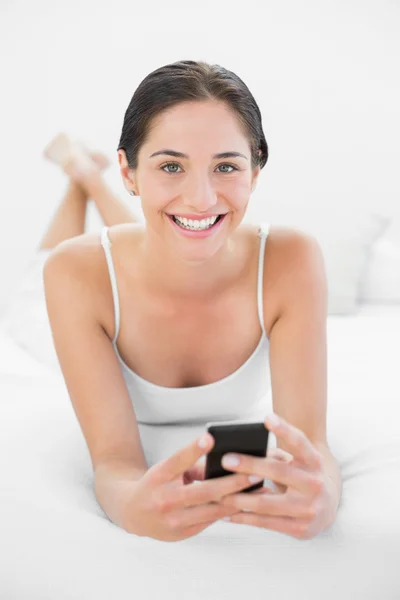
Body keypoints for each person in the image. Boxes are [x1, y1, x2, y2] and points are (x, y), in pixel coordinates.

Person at [43, 60, 341, 542]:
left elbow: (312, 445)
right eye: (170, 165)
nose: (202, 196)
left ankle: (88, 174)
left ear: (256, 170)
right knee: (165, 226)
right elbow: (115, 464)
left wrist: (323, 494)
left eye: (226, 166)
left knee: (177, 223)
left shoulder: (293, 260)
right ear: (130, 170)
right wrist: (131, 508)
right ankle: (84, 177)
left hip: (149, 241)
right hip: (59, 304)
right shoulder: (73, 273)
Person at [0, 132, 139, 371]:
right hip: (59, 334)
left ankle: (84, 176)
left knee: (38, 292)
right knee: (144, 265)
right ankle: (86, 176)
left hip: (49, 332)